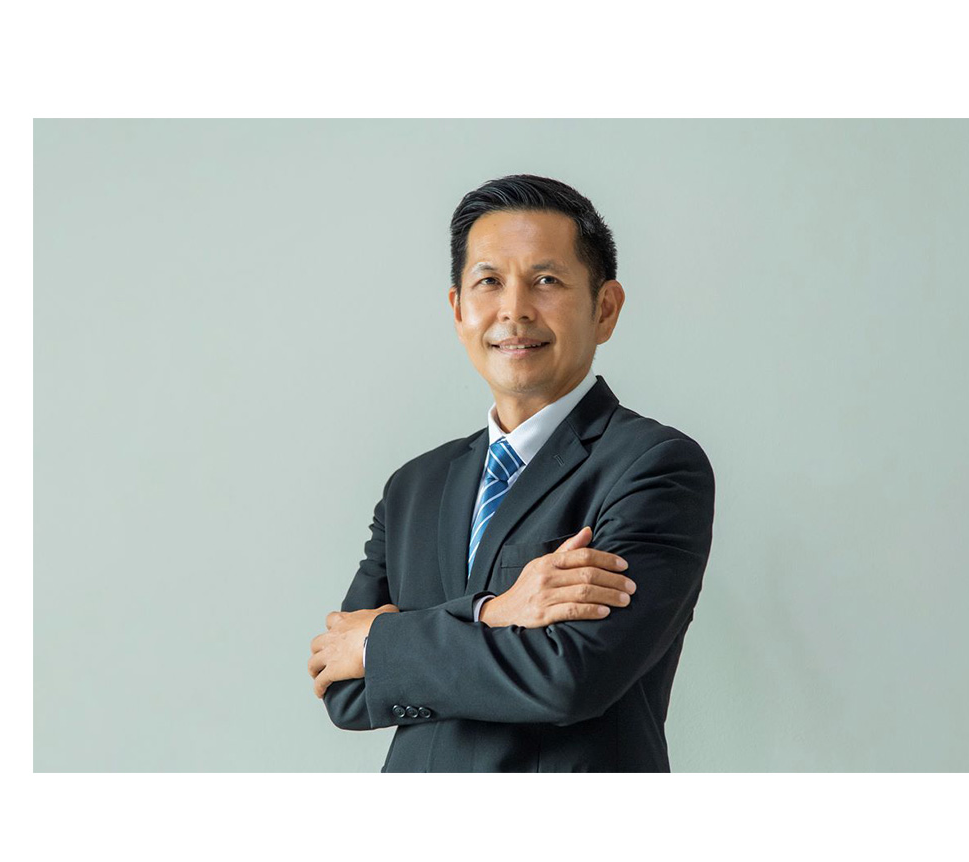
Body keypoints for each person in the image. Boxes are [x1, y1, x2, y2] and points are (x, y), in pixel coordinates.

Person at [307, 174, 716, 772]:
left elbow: (567, 677)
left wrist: (383, 646)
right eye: (489, 282)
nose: (515, 310)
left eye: (546, 281)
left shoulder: (654, 467)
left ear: (605, 309)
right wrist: (494, 613)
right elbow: (341, 683)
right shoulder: (414, 487)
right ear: (458, 310)